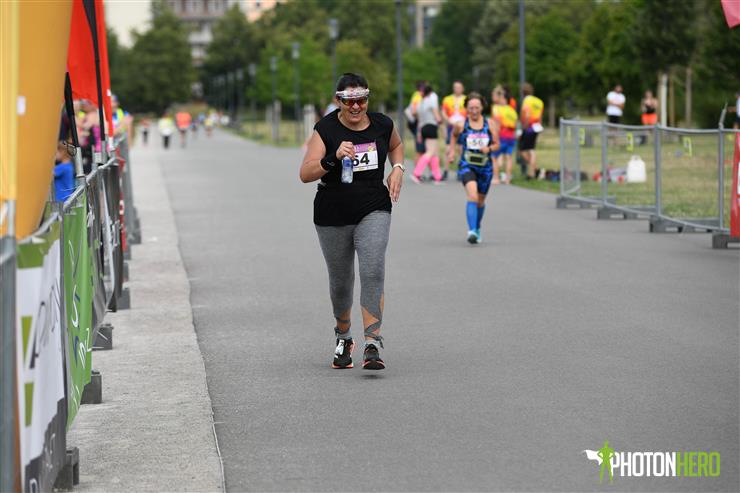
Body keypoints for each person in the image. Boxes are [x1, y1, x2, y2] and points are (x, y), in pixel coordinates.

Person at [299, 73, 405, 371]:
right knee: (341, 281)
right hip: (332, 212)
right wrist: (332, 158)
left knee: (373, 269)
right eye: (349, 101)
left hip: (374, 207)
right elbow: (305, 173)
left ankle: (372, 342)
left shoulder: (383, 124)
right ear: (338, 101)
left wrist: (397, 167)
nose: (356, 106)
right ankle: (344, 336)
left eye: (361, 100)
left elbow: (396, 145)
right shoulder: (326, 129)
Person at [446, 92, 499, 244]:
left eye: (477, 107)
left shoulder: (490, 124)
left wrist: (489, 149)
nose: (474, 111)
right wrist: (451, 151)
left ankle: (477, 227)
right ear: (466, 108)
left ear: (482, 107)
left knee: (480, 201)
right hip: (467, 165)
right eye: (471, 108)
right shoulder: (461, 125)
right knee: (472, 196)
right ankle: (472, 231)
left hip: (485, 167)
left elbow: (497, 144)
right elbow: (453, 136)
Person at [410, 82, 443, 184]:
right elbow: (436, 114)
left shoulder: (421, 103)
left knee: (434, 153)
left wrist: (419, 132)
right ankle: (416, 173)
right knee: (430, 152)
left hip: (423, 127)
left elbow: (419, 119)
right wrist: (440, 121)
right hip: (431, 126)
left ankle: (437, 177)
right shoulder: (432, 99)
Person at [491, 85, 518, 184]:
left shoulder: (497, 108)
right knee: (508, 157)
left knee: (493, 157)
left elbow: (497, 123)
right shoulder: (512, 111)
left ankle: (496, 178)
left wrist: (494, 136)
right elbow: (515, 124)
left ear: (502, 97)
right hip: (511, 137)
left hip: (501, 136)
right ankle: (507, 179)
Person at [441, 81, 467, 180]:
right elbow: (443, 112)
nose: (457, 89)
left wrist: (465, 122)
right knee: (448, 149)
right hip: (451, 126)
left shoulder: (466, 99)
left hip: (462, 126)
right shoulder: (447, 99)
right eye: (455, 87)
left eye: (459, 87)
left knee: (461, 149)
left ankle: (460, 171)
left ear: (462, 88)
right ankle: (446, 170)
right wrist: (448, 121)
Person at [519, 83, 544, 179]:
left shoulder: (527, 100)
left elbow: (527, 115)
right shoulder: (539, 101)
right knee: (530, 148)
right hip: (537, 126)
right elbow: (540, 116)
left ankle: (532, 172)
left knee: (525, 150)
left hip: (529, 127)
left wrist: (524, 127)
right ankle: (535, 169)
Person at [404, 81, 426, 172]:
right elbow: (414, 111)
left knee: (421, 148)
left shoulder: (417, 95)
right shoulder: (418, 96)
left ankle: (418, 171)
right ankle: (417, 172)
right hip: (417, 123)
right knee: (420, 149)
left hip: (416, 123)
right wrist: (421, 118)